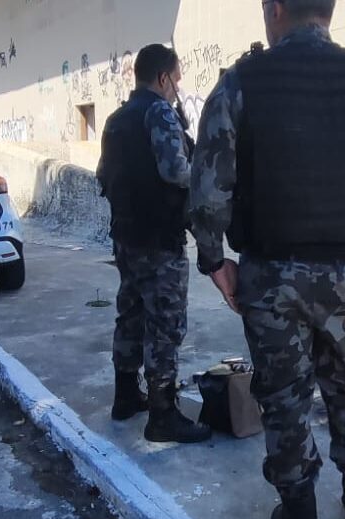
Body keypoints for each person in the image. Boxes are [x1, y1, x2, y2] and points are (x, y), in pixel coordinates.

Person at [189, 0, 345, 519]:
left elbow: (207, 187)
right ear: (330, 8)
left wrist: (214, 261)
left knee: (285, 398)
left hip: (271, 276)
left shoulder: (240, 83)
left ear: (273, 10)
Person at [96, 44, 210, 443]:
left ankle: (125, 395)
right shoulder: (158, 111)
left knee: (130, 314)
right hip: (159, 238)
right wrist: (204, 173)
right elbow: (176, 170)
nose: (178, 89)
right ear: (163, 78)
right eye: (177, 80)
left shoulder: (114, 119)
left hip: (125, 237)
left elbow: (103, 174)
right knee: (164, 324)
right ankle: (162, 415)